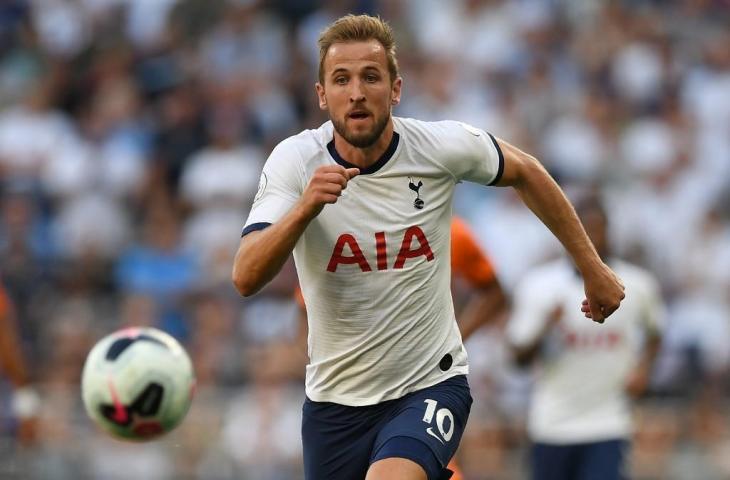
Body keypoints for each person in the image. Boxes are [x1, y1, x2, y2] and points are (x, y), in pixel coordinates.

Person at [232, 14, 625, 480]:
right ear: (322, 95)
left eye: (370, 77)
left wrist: (592, 267)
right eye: (341, 79)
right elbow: (245, 276)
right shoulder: (296, 162)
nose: (356, 92)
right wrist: (303, 209)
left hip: (430, 384)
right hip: (334, 403)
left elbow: (525, 169)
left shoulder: (438, 147)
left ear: (395, 89)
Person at [507, 194, 663, 480]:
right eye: (583, 229)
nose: (591, 238)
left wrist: (643, 369)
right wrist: (545, 326)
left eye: (597, 229)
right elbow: (517, 359)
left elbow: (656, 332)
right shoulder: (539, 286)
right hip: (551, 423)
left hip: (608, 422)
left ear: (609, 231)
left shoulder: (637, 285)